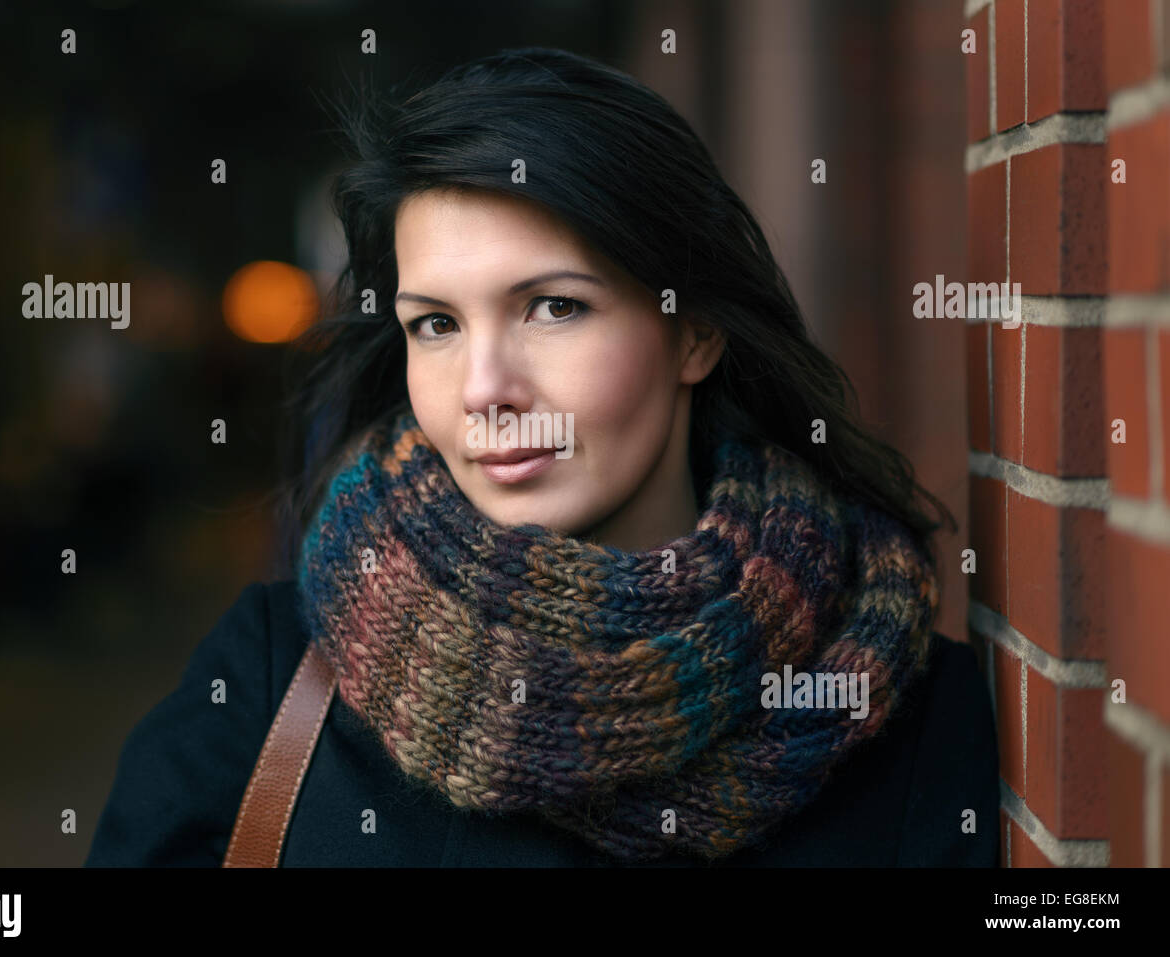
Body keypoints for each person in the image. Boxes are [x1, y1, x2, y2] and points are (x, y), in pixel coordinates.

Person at [85, 46, 999, 868]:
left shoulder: (904, 711)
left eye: (554, 307)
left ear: (695, 332)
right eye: (435, 324)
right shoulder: (270, 677)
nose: (485, 387)